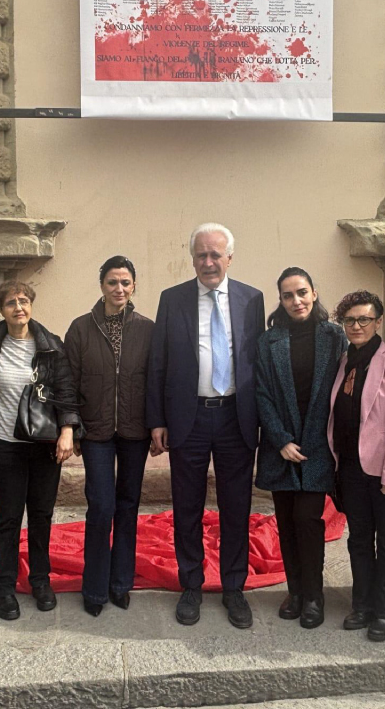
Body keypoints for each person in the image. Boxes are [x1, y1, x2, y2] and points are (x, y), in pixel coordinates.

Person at [146, 222, 266, 629]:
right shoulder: (172, 299)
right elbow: (158, 363)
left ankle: (234, 587)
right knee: (187, 507)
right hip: (188, 418)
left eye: (216, 254)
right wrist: (157, 420)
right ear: (193, 258)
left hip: (236, 417)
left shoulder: (253, 300)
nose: (209, 262)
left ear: (230, 257)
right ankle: (191, 585)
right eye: (202, 254)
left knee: (237, 507)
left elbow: (257, 362)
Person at [0, 280, 80, 621]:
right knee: (7, 517)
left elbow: (65, 390)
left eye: (23, 300)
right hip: (7, 445)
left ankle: (40, 580)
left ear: (31, 304)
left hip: (45, 444)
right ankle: (4, 585)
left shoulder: (51, 346)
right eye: (9, 303)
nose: (18, 307)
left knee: (42, 516)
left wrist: (67, 431)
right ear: (1, 310)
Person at [327, 290, 385, 642]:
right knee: (359, 540)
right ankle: (362, 605)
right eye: (350, 320)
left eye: (363, 319)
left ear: (378, 322)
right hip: (350, 467)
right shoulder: (344, 361)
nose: (356, 326)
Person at [254, 268, 346, 630]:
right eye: (288, 295)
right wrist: (280, 440)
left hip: (320, 445)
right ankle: (294, 592)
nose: (296, 301)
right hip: (282, 447)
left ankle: (314, 596)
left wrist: (324, 440)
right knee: (287, 524)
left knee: (309, 522)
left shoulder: (334, 336)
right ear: (281, 300)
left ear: (314, 293)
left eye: (302, 292)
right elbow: (261, 393)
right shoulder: (269, 340)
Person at [64, 256, 155, 617]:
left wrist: (158, 425)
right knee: (101, 507)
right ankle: (95, 588)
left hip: (135, 431)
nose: (119, 289)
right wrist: (69, 426)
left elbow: (156, 380)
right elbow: (67, 382)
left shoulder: (148, 329)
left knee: (128, 508)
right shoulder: (81, 328)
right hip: (96, 432)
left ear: (134, 286)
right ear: (101, 285)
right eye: (112, 282)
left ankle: (120, 584)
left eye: (126, 283)